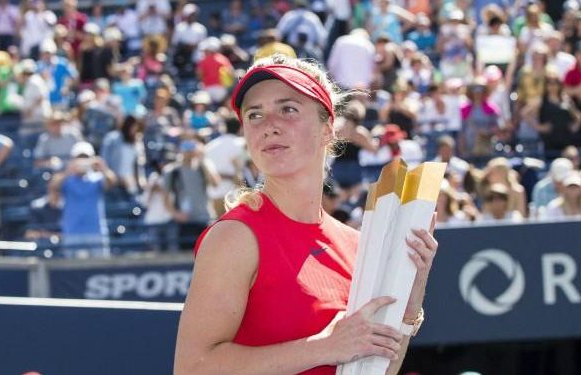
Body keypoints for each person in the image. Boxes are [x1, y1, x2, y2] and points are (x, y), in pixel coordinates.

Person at [174, 55, 438, 374]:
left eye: (288, 109)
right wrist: (325, 347)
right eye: (254, 115)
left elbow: (375, 368)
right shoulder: (235, 236)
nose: (270, 126)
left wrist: (409, 304)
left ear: (327, 128)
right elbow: (192, 368)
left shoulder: (356, 244)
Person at [48, 141, 117, 258]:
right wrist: (68, 171)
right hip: (72, 233)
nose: (83, 162)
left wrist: (103, 168)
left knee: (100, 268)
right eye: (79, 158)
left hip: (95, 232)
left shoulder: (98, 179)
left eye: (86, 158)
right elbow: (53, 187)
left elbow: (112, 182)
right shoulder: (66, 180)